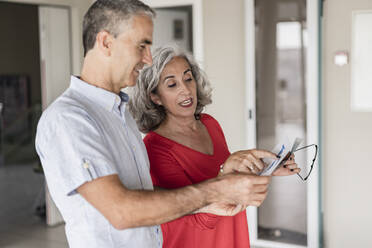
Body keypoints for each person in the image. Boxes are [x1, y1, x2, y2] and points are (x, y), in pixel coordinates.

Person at [35, 1, 276, 247]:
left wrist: (209, 202)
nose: (148, 59)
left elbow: (146, 195)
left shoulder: (119, 113)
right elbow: (122, 211)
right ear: (106, 42)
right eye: (141, 46)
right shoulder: (68, 120)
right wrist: (219, 188)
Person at [129, 46, 300, 248]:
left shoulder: (209, 123)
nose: (185, 89)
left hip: (232, 235)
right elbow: (198, 218)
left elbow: (229, 177)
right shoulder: (154, 148)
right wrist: (226, 172)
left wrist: (266, 168)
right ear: (155, 97)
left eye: (188, 78)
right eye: (172, 84)